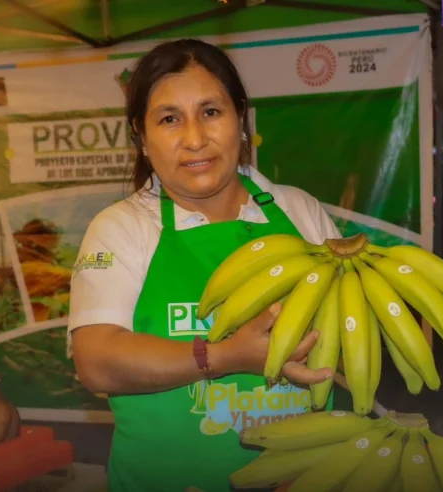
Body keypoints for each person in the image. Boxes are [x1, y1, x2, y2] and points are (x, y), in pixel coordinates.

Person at [67, 38, 343, 492]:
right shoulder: (123, 227)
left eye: (211, 112)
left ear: (241, 118)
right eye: (169, 119)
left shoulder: (299, 210)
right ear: (141, 136)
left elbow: (352, 336)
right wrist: (229, 355)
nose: (195, 139)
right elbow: (96, 362)